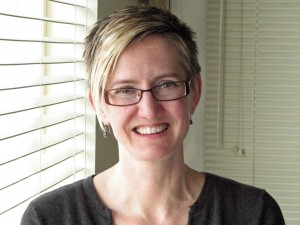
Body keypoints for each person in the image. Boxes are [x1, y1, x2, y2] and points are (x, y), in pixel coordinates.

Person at [21, 5, 285, 225]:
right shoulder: (48, 217)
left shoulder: (254, 213)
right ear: (99, 105)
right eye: (125, 90)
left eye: (167, 84)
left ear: (194, 93)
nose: (148, 110)